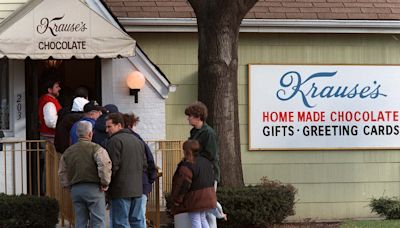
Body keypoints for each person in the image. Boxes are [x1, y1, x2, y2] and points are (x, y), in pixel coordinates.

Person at [58, 120, 112, 228]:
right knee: (98, 221)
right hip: (94, 188)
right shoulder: (97, 148)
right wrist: (105, 182)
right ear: (90, 133)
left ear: (78, 134)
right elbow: (104, 165)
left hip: (76, 189)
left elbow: (62, 172)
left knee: (80, 221)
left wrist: (68, 186)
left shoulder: (68, 152)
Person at [105, 113, 148, 228]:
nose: (106, 130)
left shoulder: (114, 141)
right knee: (137, 222)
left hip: (120, 190)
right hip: (138, 189)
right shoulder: (138, 141)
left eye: (109, 127)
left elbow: (111, 167)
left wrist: (105, 184)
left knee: (120, 223)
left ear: (119, 125)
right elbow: (144, 165)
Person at [185, 101, 220, 227]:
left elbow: (211, 155)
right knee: (202, 212)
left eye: (190, 116)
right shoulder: (194, 132)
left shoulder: (208, 133)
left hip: (208, 174)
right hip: (198, 174)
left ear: (198, 117)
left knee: (208, 211)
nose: (188, 118)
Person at [170, 140, 217, 228]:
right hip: (209, 195)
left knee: (195, 220)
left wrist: (177, 200)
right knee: (202, 218)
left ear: (186, 151)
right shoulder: (206, 162)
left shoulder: (187, 165)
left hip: (195, 198)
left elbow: (183, 185)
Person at [123, 113, 158, 227]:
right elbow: (151, 163)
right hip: (141, 184)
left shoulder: (117, 141)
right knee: (139, 217)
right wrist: (149, 181)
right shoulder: (140, 141)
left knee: (123, 218)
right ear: (132, 125)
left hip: (124, 186)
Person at [54, 87, 89, 153]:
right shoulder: (88, 118)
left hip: (65, 151)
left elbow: (59, 132)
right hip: (84, 152)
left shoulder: (63, 114)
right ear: (87, 98)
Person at [38, 75, 62, 143]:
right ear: (49, 90)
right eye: (56, 87)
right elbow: (51, 122)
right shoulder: (49, 102)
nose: (59, 88)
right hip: (50, 137)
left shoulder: (48, 100)